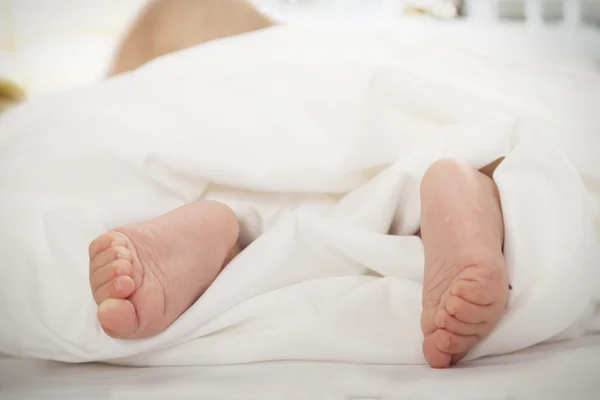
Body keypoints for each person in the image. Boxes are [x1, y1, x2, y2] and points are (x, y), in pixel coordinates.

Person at [89, 0, 509, 369]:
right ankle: (461, 186)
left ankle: (219, 235)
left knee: (248, 212)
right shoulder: (345, 50)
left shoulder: (158, 75)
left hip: (230, 160)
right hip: (365, 139)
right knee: (454, 158)